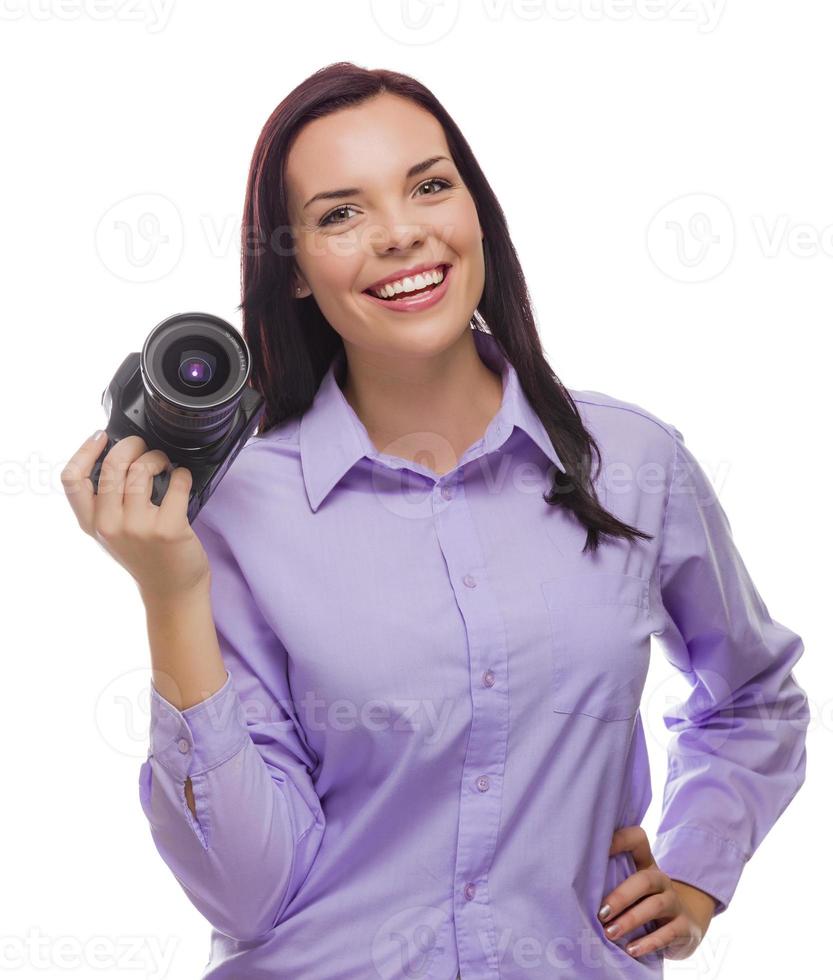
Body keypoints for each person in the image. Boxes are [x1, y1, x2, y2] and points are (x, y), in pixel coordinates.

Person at [61, 63, 810, 979]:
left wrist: (697, 870)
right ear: (291, 269)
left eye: (428, 186)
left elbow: (752, 698)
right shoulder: (238, 506)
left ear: (474, 212)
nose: (401, 232)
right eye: (341, 213)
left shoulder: (632, 464)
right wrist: (171, 592)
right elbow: (247, 894)